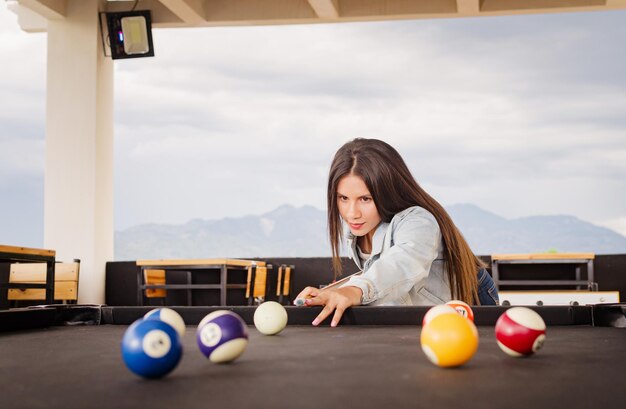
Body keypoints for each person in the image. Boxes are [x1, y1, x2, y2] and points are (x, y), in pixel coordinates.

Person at [295, 138, 499, 327]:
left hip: (472, 298)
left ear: (387, 191)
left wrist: (354, 291)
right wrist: (329, 294)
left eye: (365, 199)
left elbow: (401, 264)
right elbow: (383, 278)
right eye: (343, 198)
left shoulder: (418, 221)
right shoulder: (361, 230)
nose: (352, 213)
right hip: (432, 311)